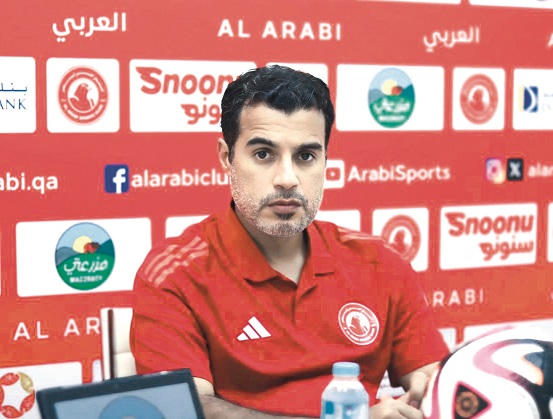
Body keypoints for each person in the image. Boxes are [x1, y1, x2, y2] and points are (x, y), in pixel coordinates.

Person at [130, 65, 449, 419]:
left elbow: (433, 379)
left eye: (305, 156)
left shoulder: (380, 262)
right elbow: (188, 410)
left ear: (325, 161)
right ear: (226, 157)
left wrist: (435, 389)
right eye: (263, 154)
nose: (287, 178)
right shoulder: (174, 274)